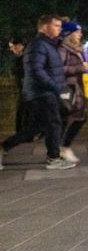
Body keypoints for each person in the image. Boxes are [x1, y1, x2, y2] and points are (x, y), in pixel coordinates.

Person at [1, 15, 75, 170]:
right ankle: (53, 158)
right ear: (44, 27)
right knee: (54, 123)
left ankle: (4, 147)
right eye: (55, 25)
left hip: (44, 92)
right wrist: (57, 88)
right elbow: (36, 71)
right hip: (41, 93)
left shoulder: (48, 45)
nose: (59, 29)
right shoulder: (38, 45)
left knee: (36, 128)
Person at [58, 20, 88, 162]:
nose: (80, 34)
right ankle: (64, 147)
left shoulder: (74, 49)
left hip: (77, 88)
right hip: (69, 89)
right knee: (79, 117)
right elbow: (59, 69)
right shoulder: (63, 49)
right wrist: (80, 69)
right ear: (69, 34)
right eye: (77, 32)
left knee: (68, 119)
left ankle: (59, 148)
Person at [6, 34, 29, 138]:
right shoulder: (19, 58)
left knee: (24, 111)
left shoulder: (26, 58)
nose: (11, 49)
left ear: (20, 46)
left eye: (13, 46)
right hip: (24, 88)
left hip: (28, 89)